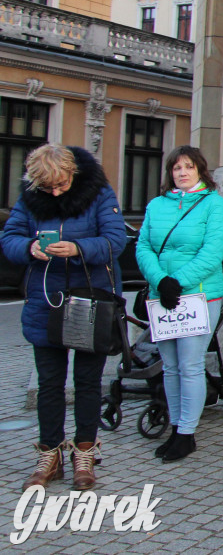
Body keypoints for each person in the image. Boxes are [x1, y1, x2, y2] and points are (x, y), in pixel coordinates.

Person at [2, 145, 126, 491]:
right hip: (46, 301)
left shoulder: (99, 193)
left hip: (91, 299)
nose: (55, 192)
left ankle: (84, 452)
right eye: (48, 188)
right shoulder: (30, 198)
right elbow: (9, 237)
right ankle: (50, 455)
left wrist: (79, 248)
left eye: (61, 185)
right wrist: (30, 248)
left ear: (73, 174)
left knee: (88, 383)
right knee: (50, 385)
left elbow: (116, 240)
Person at [136, 146, 223, 463]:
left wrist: (178, 281)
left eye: (189, 167)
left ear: (201, 171)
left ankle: (187, 433)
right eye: (177, 168)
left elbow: (212, 252)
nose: (182, 172)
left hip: (198, 295)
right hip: (161, 296)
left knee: (190, 365)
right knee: (171, 367)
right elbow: (144, 247)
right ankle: (175, 426)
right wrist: (161, 280)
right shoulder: (156, 205)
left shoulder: (213, 205)